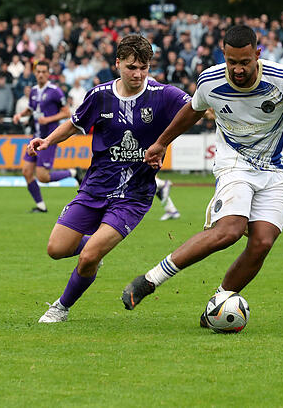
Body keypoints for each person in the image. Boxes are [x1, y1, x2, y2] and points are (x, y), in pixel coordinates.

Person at [119, 25, 283, 329]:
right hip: (233, 163)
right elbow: (193, 110)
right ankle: (149, 280)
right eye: (231, 61)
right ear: (223, 54)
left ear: (257, 54)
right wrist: (161, 143)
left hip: (275, 169)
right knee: (230, 231)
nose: (237, 69)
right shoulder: (210, 80)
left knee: (262, 243)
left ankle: (217, 304)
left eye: (244, 62)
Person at [30, 35, 191, 323]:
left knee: (88, 257)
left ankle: (60, 308)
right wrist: (48, 141)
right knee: (56, 249)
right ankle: (95, 250)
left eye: (143, 67)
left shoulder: (163, 94)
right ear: (117, 63)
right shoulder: (100, 95)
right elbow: (75, 124)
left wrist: (163, 142)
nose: (138, 74)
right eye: (131, 67)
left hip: (133, 196)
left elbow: (197, 108)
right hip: (95, 187)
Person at [13, 60, 82, 213]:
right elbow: (31, 109)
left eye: (44, 72)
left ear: (48, 73)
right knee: (26, 172)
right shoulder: (33, 91)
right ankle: (41, 206)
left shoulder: (55, 91)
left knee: (43, 177)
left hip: (48, 139)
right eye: (38, 71)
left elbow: (66, 113)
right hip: (35, 137)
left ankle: (73, 172)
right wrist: (20, 115)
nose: (41, 74)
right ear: (35, 73)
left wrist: (48, 119)